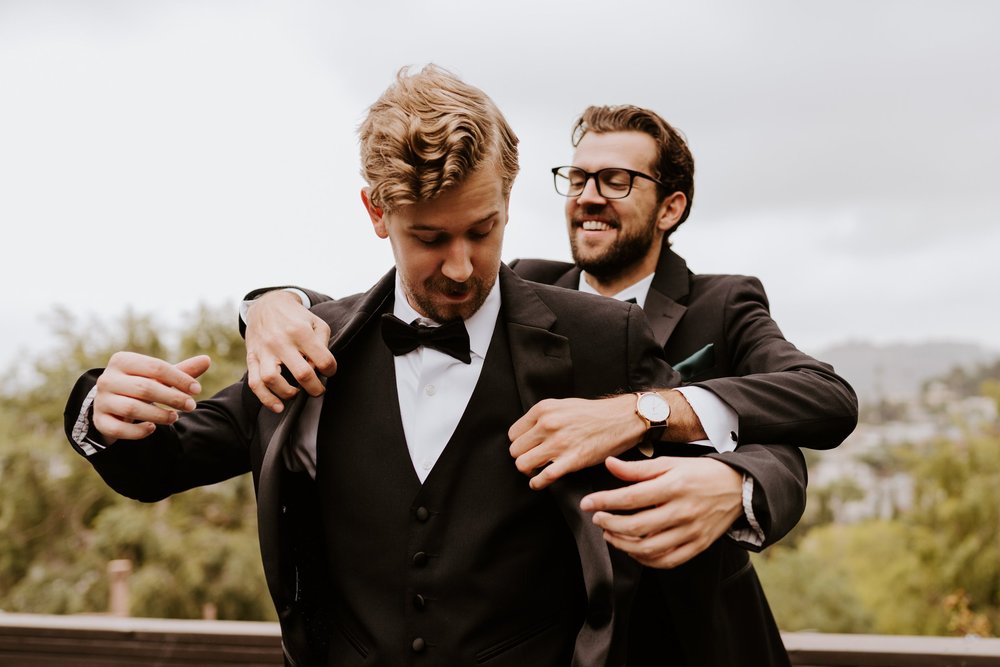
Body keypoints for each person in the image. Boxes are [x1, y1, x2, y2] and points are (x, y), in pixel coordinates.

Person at [61, 65, 748, 666]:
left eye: (483, 229)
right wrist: (103, 407)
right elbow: (165, 463)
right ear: (376, 211)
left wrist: (733, 481)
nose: (460, 265)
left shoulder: (605, 338)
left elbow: (738, 443)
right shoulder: (312, 348)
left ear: (508, 197)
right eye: (429, 237)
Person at [240, 105, 858, 665]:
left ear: (671, 207)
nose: (590, 196)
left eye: (617, 181)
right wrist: (272, 302)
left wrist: (660, 419)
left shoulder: (724, 304)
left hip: (685, 636)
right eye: (579, 177)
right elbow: (402, 302)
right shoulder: (526, 287)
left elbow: (817, 400)